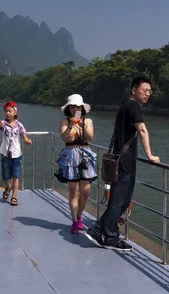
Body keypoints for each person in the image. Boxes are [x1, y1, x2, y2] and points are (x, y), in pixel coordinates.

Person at [86, 76, 160, 251]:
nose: (148, 94)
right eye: (144, 90)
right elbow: (141, 129)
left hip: (120, 159)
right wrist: (149, 154)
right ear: (134, 90)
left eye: (150, 91)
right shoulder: (133, 106)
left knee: (122, 200)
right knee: (120, 201)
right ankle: (108, 236)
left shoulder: (125, 105)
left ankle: (99, 230)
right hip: (125, 162)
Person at [55, 94, 98, 234]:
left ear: (82, 108)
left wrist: (82, 124)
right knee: (73, 192)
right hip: (70, 155)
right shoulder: (64, 121)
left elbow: (90, 137)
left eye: (78, 106)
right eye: (72, 106)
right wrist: (71, 125)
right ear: (69, 108)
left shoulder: (88, 121)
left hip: (85, 155)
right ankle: (74, 220)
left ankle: (79, 216)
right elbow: (65, 138)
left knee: (85, 192)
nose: (75, 108)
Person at [0, 101, 32, 206]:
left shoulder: (19, 125)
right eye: (5, 111)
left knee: (16, 176)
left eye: (9, 111)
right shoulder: (4, 123)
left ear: (15, 112)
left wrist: (26, 140)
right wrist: (0, 125)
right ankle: (8, 187)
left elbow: (24, 135)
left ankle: (14, 197)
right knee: (5, 176)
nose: (7, 113)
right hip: (5, 154)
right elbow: (1, 127)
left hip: (17, 154)